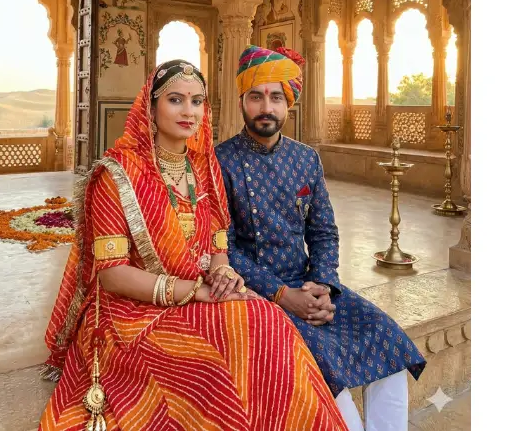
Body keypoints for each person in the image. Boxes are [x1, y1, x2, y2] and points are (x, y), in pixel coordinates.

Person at [39, 60, 347, 431]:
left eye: (197, 101)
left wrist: (223, 274)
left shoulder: (204, 168)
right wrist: (196, 291)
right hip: (133, 312)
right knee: (215, 360)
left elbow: (219, 245)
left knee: (271, 321)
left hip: (199, 295)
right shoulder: (117, 173)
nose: (188, 111)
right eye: (175, 100)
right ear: (151, 106)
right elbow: (112, 275)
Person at [216, 45, 427, 431]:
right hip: (256, 296)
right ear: (243, 101)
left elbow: (324, 231)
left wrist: (324, 284)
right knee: (327, 379)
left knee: (390, 346)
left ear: (289, 103)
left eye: (276, 97)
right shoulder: (221, 161)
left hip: (311, 286)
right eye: (256, 96)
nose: (267, 106)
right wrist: (283, 296)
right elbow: (224, 248)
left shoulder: (305, 158)